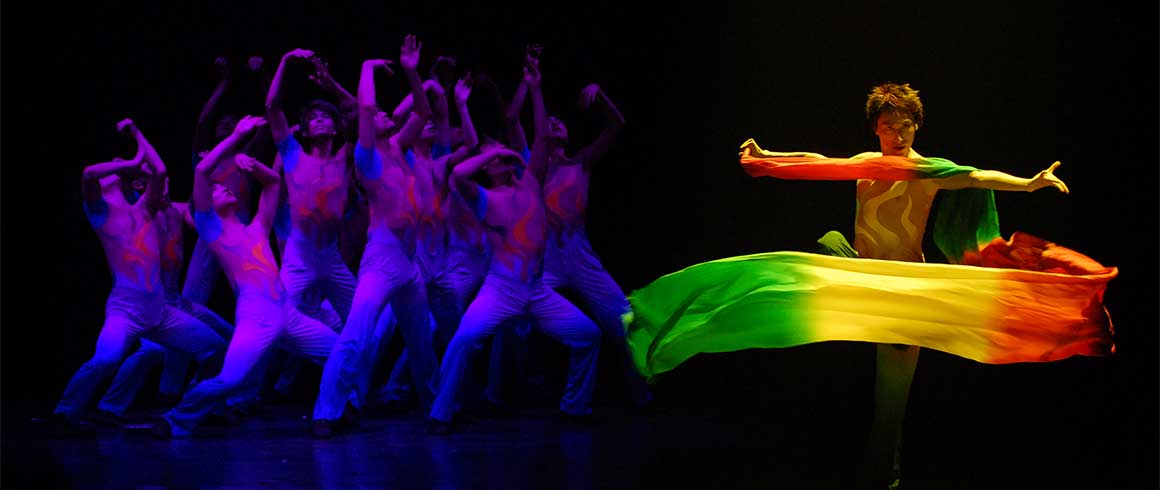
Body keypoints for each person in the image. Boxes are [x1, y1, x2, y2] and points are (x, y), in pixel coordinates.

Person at [427, 59, 601, 435]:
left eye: (501, 156)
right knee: (464, 341)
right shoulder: (485, 199)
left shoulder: (531, 184)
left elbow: (539, 137)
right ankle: (441, 413)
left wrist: (535, 87)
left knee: (589, 335)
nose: (499, 160)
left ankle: (575, 408)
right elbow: (457, 174)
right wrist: (492, 153)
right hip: (500, 289)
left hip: (536, 290)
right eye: (490, 160)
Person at [154, 115, 339, 437]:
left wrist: (254, 165)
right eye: (217, 190)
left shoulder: (256, 228)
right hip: (257, 316)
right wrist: (237, 137)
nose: (223, 187)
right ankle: (176, 419)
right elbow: (201, 171)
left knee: (342, 351)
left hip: (288, 313)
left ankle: (336, 409)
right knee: (231, 379)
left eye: (225, 186)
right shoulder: (212, 229)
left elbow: (273, 184)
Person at [51, 119, 227, 434]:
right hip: (126, 308)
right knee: (105, 360)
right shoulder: (100, 213)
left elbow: (158, 171)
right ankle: (65, 413)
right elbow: (89, 173)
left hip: (160, 309)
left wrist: (136, 135)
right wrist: (131, 161)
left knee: (214, 348)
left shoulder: (146, 209)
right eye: (116, 175)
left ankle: (190, 409)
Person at [310, 35, 440, 438]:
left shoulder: (399, 146)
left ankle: (436, 408)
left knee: (421, 341)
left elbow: (422, 108)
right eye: (380, 115)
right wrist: (366, 66)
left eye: (387, 114)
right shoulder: (367, 157)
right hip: (382, 256)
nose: (386, 115)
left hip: (409, 260)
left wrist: (412, 71)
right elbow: (365, 106)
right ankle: (326, 412)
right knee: (358, 333)